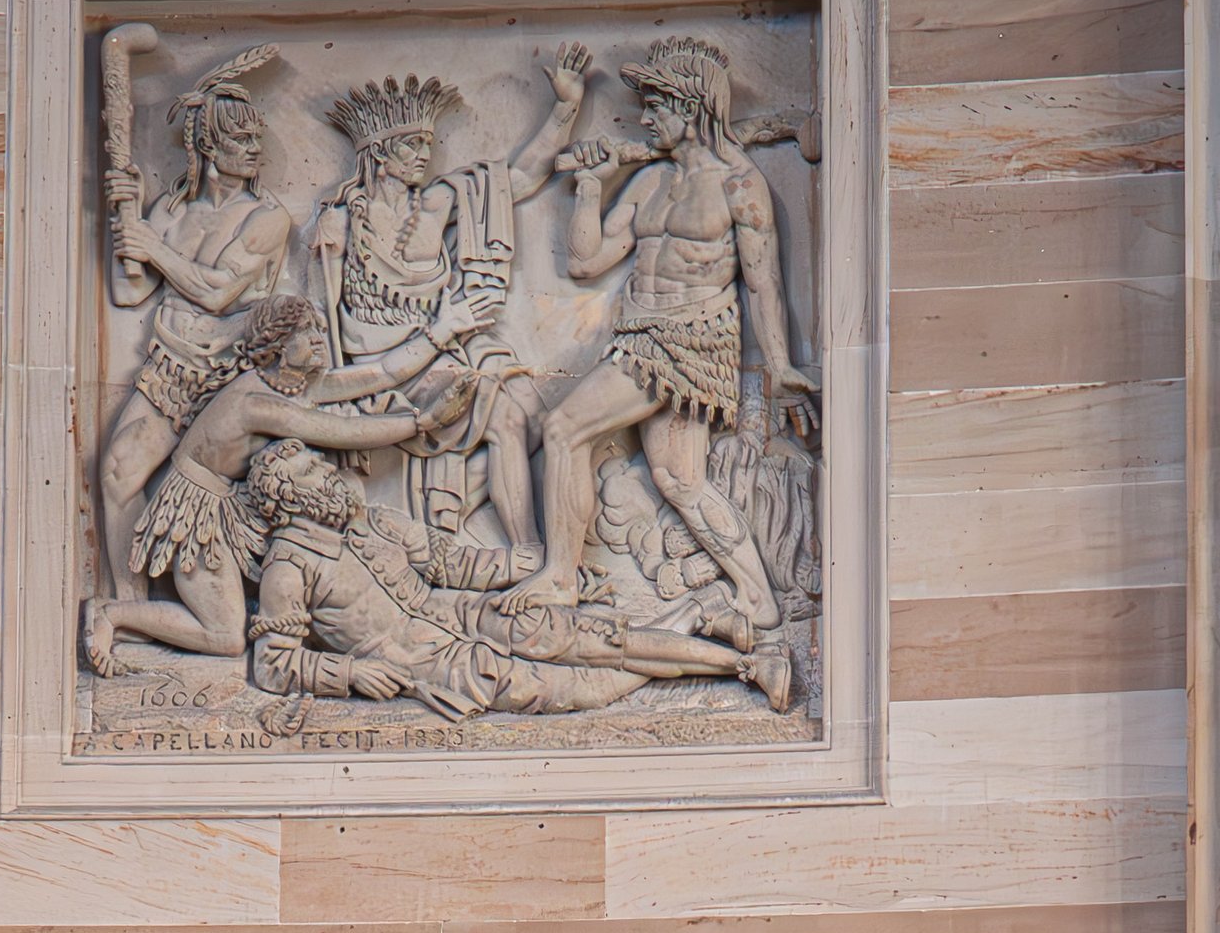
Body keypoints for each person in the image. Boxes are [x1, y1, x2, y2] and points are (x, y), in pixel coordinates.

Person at [509, 35, 815, 629]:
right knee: (680, 480)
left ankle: (561, 577)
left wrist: (780, 367)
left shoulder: (738, 184)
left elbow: (764, 285)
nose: (645, 119)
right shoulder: (650, 181)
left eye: (656, 106)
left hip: (687, 343)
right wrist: (592, 186)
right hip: (642, 337)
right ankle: (759, 598)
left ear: (692, 108)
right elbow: (587, 261)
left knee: (563, 428)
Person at [81, 292, 490, 673]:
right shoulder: (256, 404)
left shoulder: (290, 383)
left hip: (230, 504)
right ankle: (111, 613)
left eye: (317, 330)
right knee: (226, 635)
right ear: (277, 345)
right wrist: (423, 422)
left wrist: (442, 332)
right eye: (304, 332)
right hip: (194, 515)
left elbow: (381, 374)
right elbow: (340, 432)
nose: (317, 340)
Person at [243, 437, 793, 720]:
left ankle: (747, 661)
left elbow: (453, 564)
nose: (327, 471)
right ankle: (699, 618)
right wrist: (351, 672)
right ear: (288, 497)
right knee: (579, 689)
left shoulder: (369, 520)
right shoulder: (288, 570)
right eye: (311, 471)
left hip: (465, 613)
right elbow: (272, 662)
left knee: (599, 638)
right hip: (437, 665)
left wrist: (542, 569)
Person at [312, 49, 592, 554]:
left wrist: (564, 108)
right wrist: (336, 405)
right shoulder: (341, 223)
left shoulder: (439, 201)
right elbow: (325, 322)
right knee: (506, 419)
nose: (425, 153)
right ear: (379, 154)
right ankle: (527, 551)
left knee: (532, 409)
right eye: (411, 145)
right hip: (384, 369)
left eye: (428, 142)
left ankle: (462, 518)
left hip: (446, 345)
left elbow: (522, 178)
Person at [97, 48, 293, 585]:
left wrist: (152, 247)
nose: (255, 149)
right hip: (170, 368)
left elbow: (218, 293)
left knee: (211, 505)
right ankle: (129, 607)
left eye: (257, 138)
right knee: (117, 473)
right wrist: (129, 220)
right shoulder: (172, 210)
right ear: (208, 145)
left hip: (228, 374)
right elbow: (129, 291)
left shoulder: (266, 217)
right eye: (242, 140)